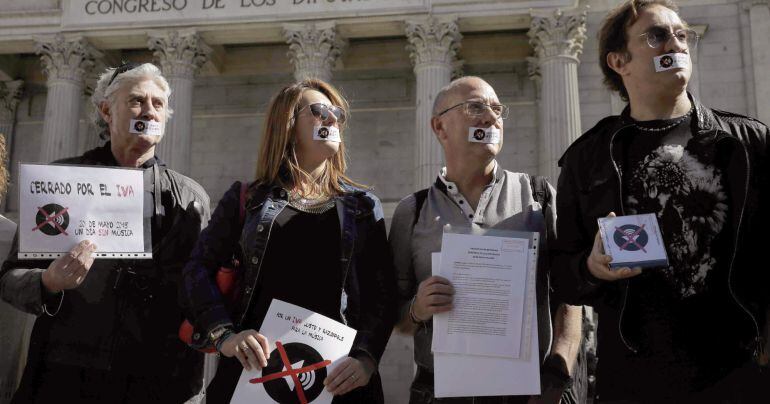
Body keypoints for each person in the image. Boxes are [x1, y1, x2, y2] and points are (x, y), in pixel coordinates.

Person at [552, 0, 770, 401]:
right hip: (636, 377)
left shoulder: (749, 143)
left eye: (681, 34)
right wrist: (592, 266)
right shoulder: (589, 158)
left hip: (740, 373)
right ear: (620, 61)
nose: (676, 42)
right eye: (657, 35)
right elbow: (562, 275)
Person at [0, 62, 211, 403]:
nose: (149, 111)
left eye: (158, 104)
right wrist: (48, 282)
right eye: (137, 101)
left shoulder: (190, 197)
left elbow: (202, 292)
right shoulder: (59, 182)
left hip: (158, 382)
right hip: (66, 376)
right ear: (106, 110)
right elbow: (9, 279)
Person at [182, 78, 396, 403]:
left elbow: (382, 294)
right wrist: (224, 335)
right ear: (288, 124)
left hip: (339, 380)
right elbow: (196, 270)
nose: (332, 119)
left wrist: (366, 358)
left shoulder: (363, 207)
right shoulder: (247, 199)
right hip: (256, 376)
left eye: (337, 112)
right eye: (320, 110)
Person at [390, 76, 585, 404]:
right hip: (439, 393)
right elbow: (393, 315)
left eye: (496, 109)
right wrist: (417, 309)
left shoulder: (538, 197)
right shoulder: (412, 211)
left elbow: (573, 295)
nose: (491, 117)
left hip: (530, 392)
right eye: (475, 107)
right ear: (440, 127)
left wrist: (559, 371)